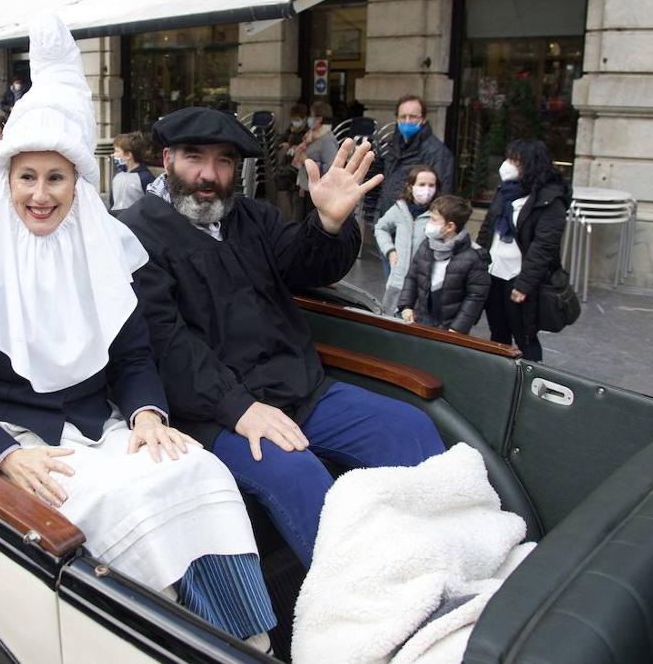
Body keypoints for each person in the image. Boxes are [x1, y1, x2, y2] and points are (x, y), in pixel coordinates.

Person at [0, 13, 276, 649]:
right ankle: (166, 645)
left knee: (199, 472)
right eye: (27, 177)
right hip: (21, 439)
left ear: (77, 185)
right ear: (7, 180)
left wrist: (147, 413)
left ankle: (245, 644)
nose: (41, 195)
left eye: (56, 177)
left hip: (102, 425)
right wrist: (5, 456)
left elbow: (133, 355)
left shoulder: (104, 248)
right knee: (128, 502)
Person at [118, 106, 445, 567]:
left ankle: (446, 555)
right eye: (194, 158)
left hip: (299, 389)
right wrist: (238, 407)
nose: (208, 175)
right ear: (168, 159)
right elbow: (165, 342)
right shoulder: (134, 233)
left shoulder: (252, 217)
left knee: (408, 427)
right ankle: (363, 597)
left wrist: (328, 223)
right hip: (214, 411)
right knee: (298, 475)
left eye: (224, 161)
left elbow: (306, 265)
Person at [476, 139, 569, 362]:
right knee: (498, 333)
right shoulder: (504, 190)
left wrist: (524, 285)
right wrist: (478, 262)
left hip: (519, 278)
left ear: (531, 165)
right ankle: (500, 373)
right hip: (494, 271)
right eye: (508, 158)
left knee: (525, 335)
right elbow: (488, 228)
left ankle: (530, 376)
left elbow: (544, 247)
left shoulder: (550, 200)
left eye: (515, 161)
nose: (507, 165)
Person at [396, 194, 490, 334]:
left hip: (450, 326)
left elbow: (475, 296)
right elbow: (412, 277)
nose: (428, 223)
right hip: (421, 319)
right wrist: (406, 306)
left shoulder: (474, 257)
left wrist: (458, 328)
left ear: (450, 226)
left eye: (433, 220)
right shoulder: (426, 246)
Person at [373, 95, 455, 221]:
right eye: (403, 117)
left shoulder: (437, 153)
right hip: (388, 221)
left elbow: (442, 198)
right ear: (397, 119)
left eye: (412, 117)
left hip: (414, 224)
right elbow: (386, 187)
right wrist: (378, 220)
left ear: (423, 119)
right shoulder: (394, 146)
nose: (407, 121)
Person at [374, 165, 438, 314]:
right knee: (389, 318)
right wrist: (390, 250)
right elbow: (381, 227)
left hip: (422, 286)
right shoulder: (400, 209)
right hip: (397, 281)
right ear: (410, 186)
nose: (427, 189)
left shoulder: (438, 214)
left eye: (431, 185)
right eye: (422, 184)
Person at [289, 100, 340, 221]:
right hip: (305, 189)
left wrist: (307, 161)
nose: (309, 119)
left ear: (319, 119)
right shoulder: (311, 136)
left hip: (316, 195)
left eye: (311, 116)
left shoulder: (327, 140)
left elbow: (332, 168)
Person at [273, 103, 308, 219]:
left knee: (298, 203)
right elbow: (278, 141)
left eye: (298, 119)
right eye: (294, 119)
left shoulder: (308, 132)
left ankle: (297, 225)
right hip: (288, 170)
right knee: (291, 200)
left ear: (304, 118)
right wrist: (283, 145)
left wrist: (298, 148)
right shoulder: (290, 130)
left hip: (300, 170)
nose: (295, 122)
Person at [110, 131, 153, 211]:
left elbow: (151, 206)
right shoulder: (118, 175)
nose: (114, 154)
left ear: (128, 155)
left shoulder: (146, 178)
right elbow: (112, 202)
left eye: (117, 151)